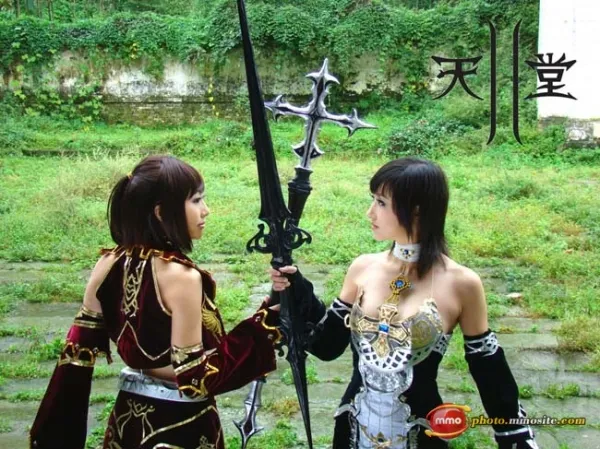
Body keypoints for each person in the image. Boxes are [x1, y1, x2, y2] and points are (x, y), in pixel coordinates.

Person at [271, 157, 539, 449]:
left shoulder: (462, 284)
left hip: (422, 436)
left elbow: (489, 371)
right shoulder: (363, 268)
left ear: (417, 209)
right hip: (351, 430)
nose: (370, 212)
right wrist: (297, 292)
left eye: (381, 203)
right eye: (373, 200)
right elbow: (328, 346)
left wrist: (515, 437)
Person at [30, 155, 282, 449]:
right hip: (181, 426)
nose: (206, 210)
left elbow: (75, 359)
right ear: (161, 212)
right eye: (196, 200)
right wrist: (261, 329)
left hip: (126, 421)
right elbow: (196, 378)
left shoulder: (107, 263)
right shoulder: (182, 278)